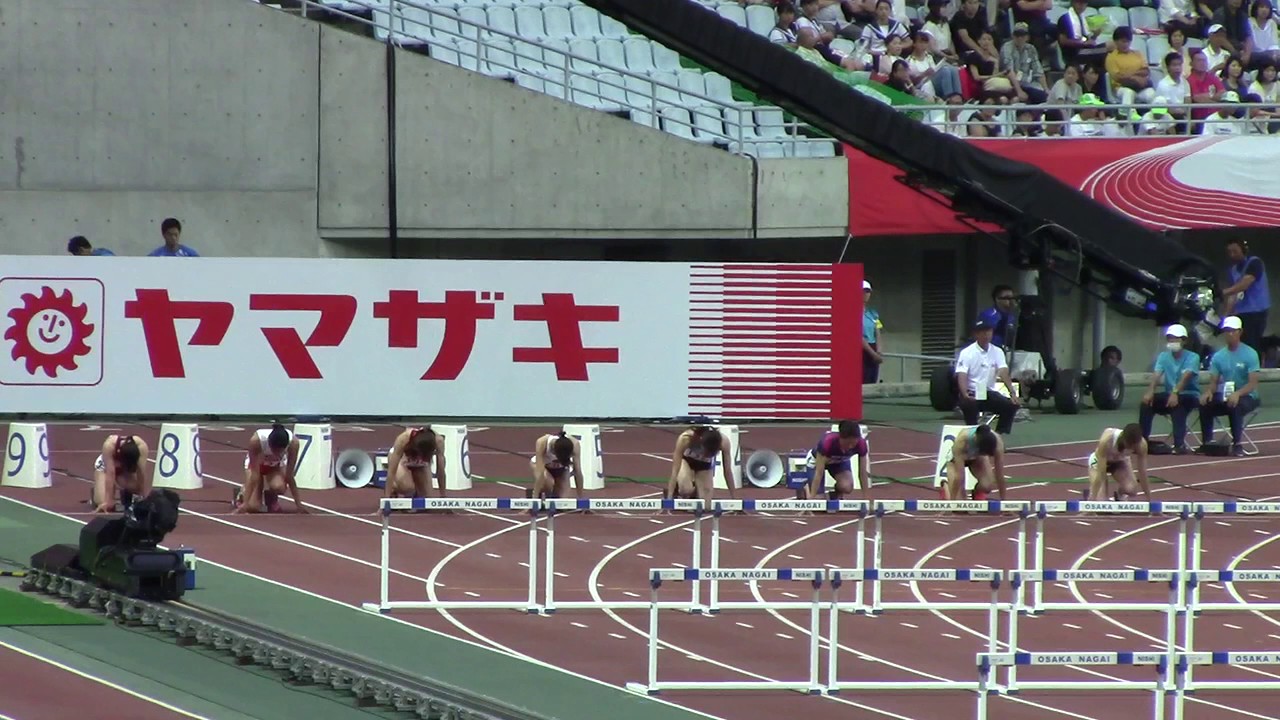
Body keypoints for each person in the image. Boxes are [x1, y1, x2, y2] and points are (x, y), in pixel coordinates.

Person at [1200, 316, 1262, 456]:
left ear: (1239, 332)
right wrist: (1209, 392)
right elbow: (1214, 381)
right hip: (1226, 394)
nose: (1230, 334)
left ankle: (1237, 444)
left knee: (1236, 404)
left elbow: (1252, 383)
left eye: (1233, 331)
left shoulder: (1250, 354)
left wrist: (1238, 393)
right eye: (1227, 331)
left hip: (1247, 396)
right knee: (1205, 404)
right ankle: (1207, 442)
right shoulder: (1219, 356)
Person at [1139, 324, 1202, 454]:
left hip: (1189, 394)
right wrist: (1150, 391)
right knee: (1147, 404)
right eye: (1170, 339)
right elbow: (1157, 374)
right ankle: (1142, 441)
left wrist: (1175, 392)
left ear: (1184, 340)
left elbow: (1186, 377)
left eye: (1176, 339)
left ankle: (1179, 444)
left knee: (1177, 403)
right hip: (1170, 394)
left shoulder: (1193, 357)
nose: (1172, 342)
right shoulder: (1163, 356)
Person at [955, 318, 1021, 435]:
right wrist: (964, 393)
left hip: (987, 392)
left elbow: (1003, 371)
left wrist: (1012, 393)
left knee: (1011, 406)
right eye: (982, 332)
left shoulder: (997, 351)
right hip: (972, 391)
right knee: (969, 405)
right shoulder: (966, 353)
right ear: (976, 334)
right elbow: (962, 374)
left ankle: (998, 435)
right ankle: (973, 435)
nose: (986, 335)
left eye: (988, 331)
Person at [234, 424, 307, 514]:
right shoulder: (256, 441)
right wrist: (245, 504)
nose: (277, 453)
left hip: (274, 467)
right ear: (269, 443)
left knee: (279, 487)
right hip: (256, 466)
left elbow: (289, 475)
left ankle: (271, 498)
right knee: (253, 507)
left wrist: (298, 504)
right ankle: (241, 494)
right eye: (274, 450)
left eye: (280, 451)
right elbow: (255, 475)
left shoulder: (294, 443)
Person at [804, 420, 871, 501]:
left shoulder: (861, 444)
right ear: (840, 438)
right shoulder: (827, 442)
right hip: (817, 462)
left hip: (839, 463)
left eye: (853, 444)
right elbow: (819, 472)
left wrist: (867, 498)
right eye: (847, 443)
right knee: (818, 501)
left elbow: (862, 473)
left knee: (847, 486)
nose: (850, 447)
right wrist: (811, 498)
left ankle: (834, 495)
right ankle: (806, 488)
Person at [1222, 239, 1270, 351]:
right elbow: (1233, 294)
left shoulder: (1255, 262)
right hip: (1241, 312)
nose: (1232, 255)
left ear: (1243, 250)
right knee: (1240, 343)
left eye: (1235, 251)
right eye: (1229, 252)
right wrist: (1226, 315)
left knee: (1252, 342)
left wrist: (1223, 292)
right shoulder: (1232, 270)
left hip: (1256, 310)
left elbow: (1244, 284)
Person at [666, 426, 737, 502]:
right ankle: (678, 489)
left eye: (712, 454)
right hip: (687, 461)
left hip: (704, 465)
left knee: (706, 504)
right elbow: (675, 470)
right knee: (686, 490)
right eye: (707, 453)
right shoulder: (685, 438)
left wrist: (735, 499)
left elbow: (727, 471)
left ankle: (695, 492)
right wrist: (669, 497)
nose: (709, 455)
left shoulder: (724, 442)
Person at [1085, 424, 1152, 502]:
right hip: (1099, 463)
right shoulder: (1107, 440)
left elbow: (1142, 474)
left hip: (1119, 463)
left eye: (1134, 446)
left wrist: (1151, 502)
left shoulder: (1141, 445)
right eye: (1130, 445)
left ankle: (1119, 495)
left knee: (1132, 489)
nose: (1132, 448)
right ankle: (1090, 494)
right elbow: (1101, 473)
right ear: (1124, 438)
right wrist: (1091, 503)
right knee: (1101, 502)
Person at [941, 424, 1007, 501]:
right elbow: (960, 476)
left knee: (987, 486)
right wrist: (951, 504)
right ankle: (945, 486)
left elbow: (999, 474)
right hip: (956, 460)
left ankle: (976, 494)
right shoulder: (962, 440)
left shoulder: (997, 443)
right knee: (959, 503)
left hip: (977, 459)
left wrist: (1004, 503)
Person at [383, 426, 448, 499]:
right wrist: (385, 500)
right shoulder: (403, 438)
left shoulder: (438, 440)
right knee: (407, 487)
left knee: (427, 494)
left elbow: (441, 471)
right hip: (402, 459)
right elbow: (391, 472)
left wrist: (443, 497)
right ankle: (394, 489)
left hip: (421, 462)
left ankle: (416, 493)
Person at [93, 434, 150, 513]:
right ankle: (96, 491)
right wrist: (107, 501)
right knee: (104, 503)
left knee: (135, 487)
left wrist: (142, 497)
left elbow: (141, 473)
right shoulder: (109, 445)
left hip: (125, 471)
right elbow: (110, 474)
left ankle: (125, 493)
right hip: (105, 468)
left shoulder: (142, 447)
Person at [530, 431, 585, 500]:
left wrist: (581, 498)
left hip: (562, 468)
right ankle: (541, 495)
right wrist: (534, 497)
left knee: (563, 500)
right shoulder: (542, 442)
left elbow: (577, 471)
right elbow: (540, 473)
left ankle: (554, 497)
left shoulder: (575, 444)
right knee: (549, 482)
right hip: (543, 466)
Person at [978, 285, 1018, 350]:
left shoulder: (1012, 316)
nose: (1011, 301)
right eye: (1007, 298)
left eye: (1012, 298)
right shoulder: (989, 315)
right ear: (997, 299)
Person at [863, 280, 883, 384]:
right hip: (862, 350)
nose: (866, 294)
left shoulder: (873, 314)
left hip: (873, 347)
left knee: (872, 379)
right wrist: (872, 354)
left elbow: (877, 331)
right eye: (863, 291)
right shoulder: (852, 313)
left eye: (868, 291)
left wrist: (878, 351)